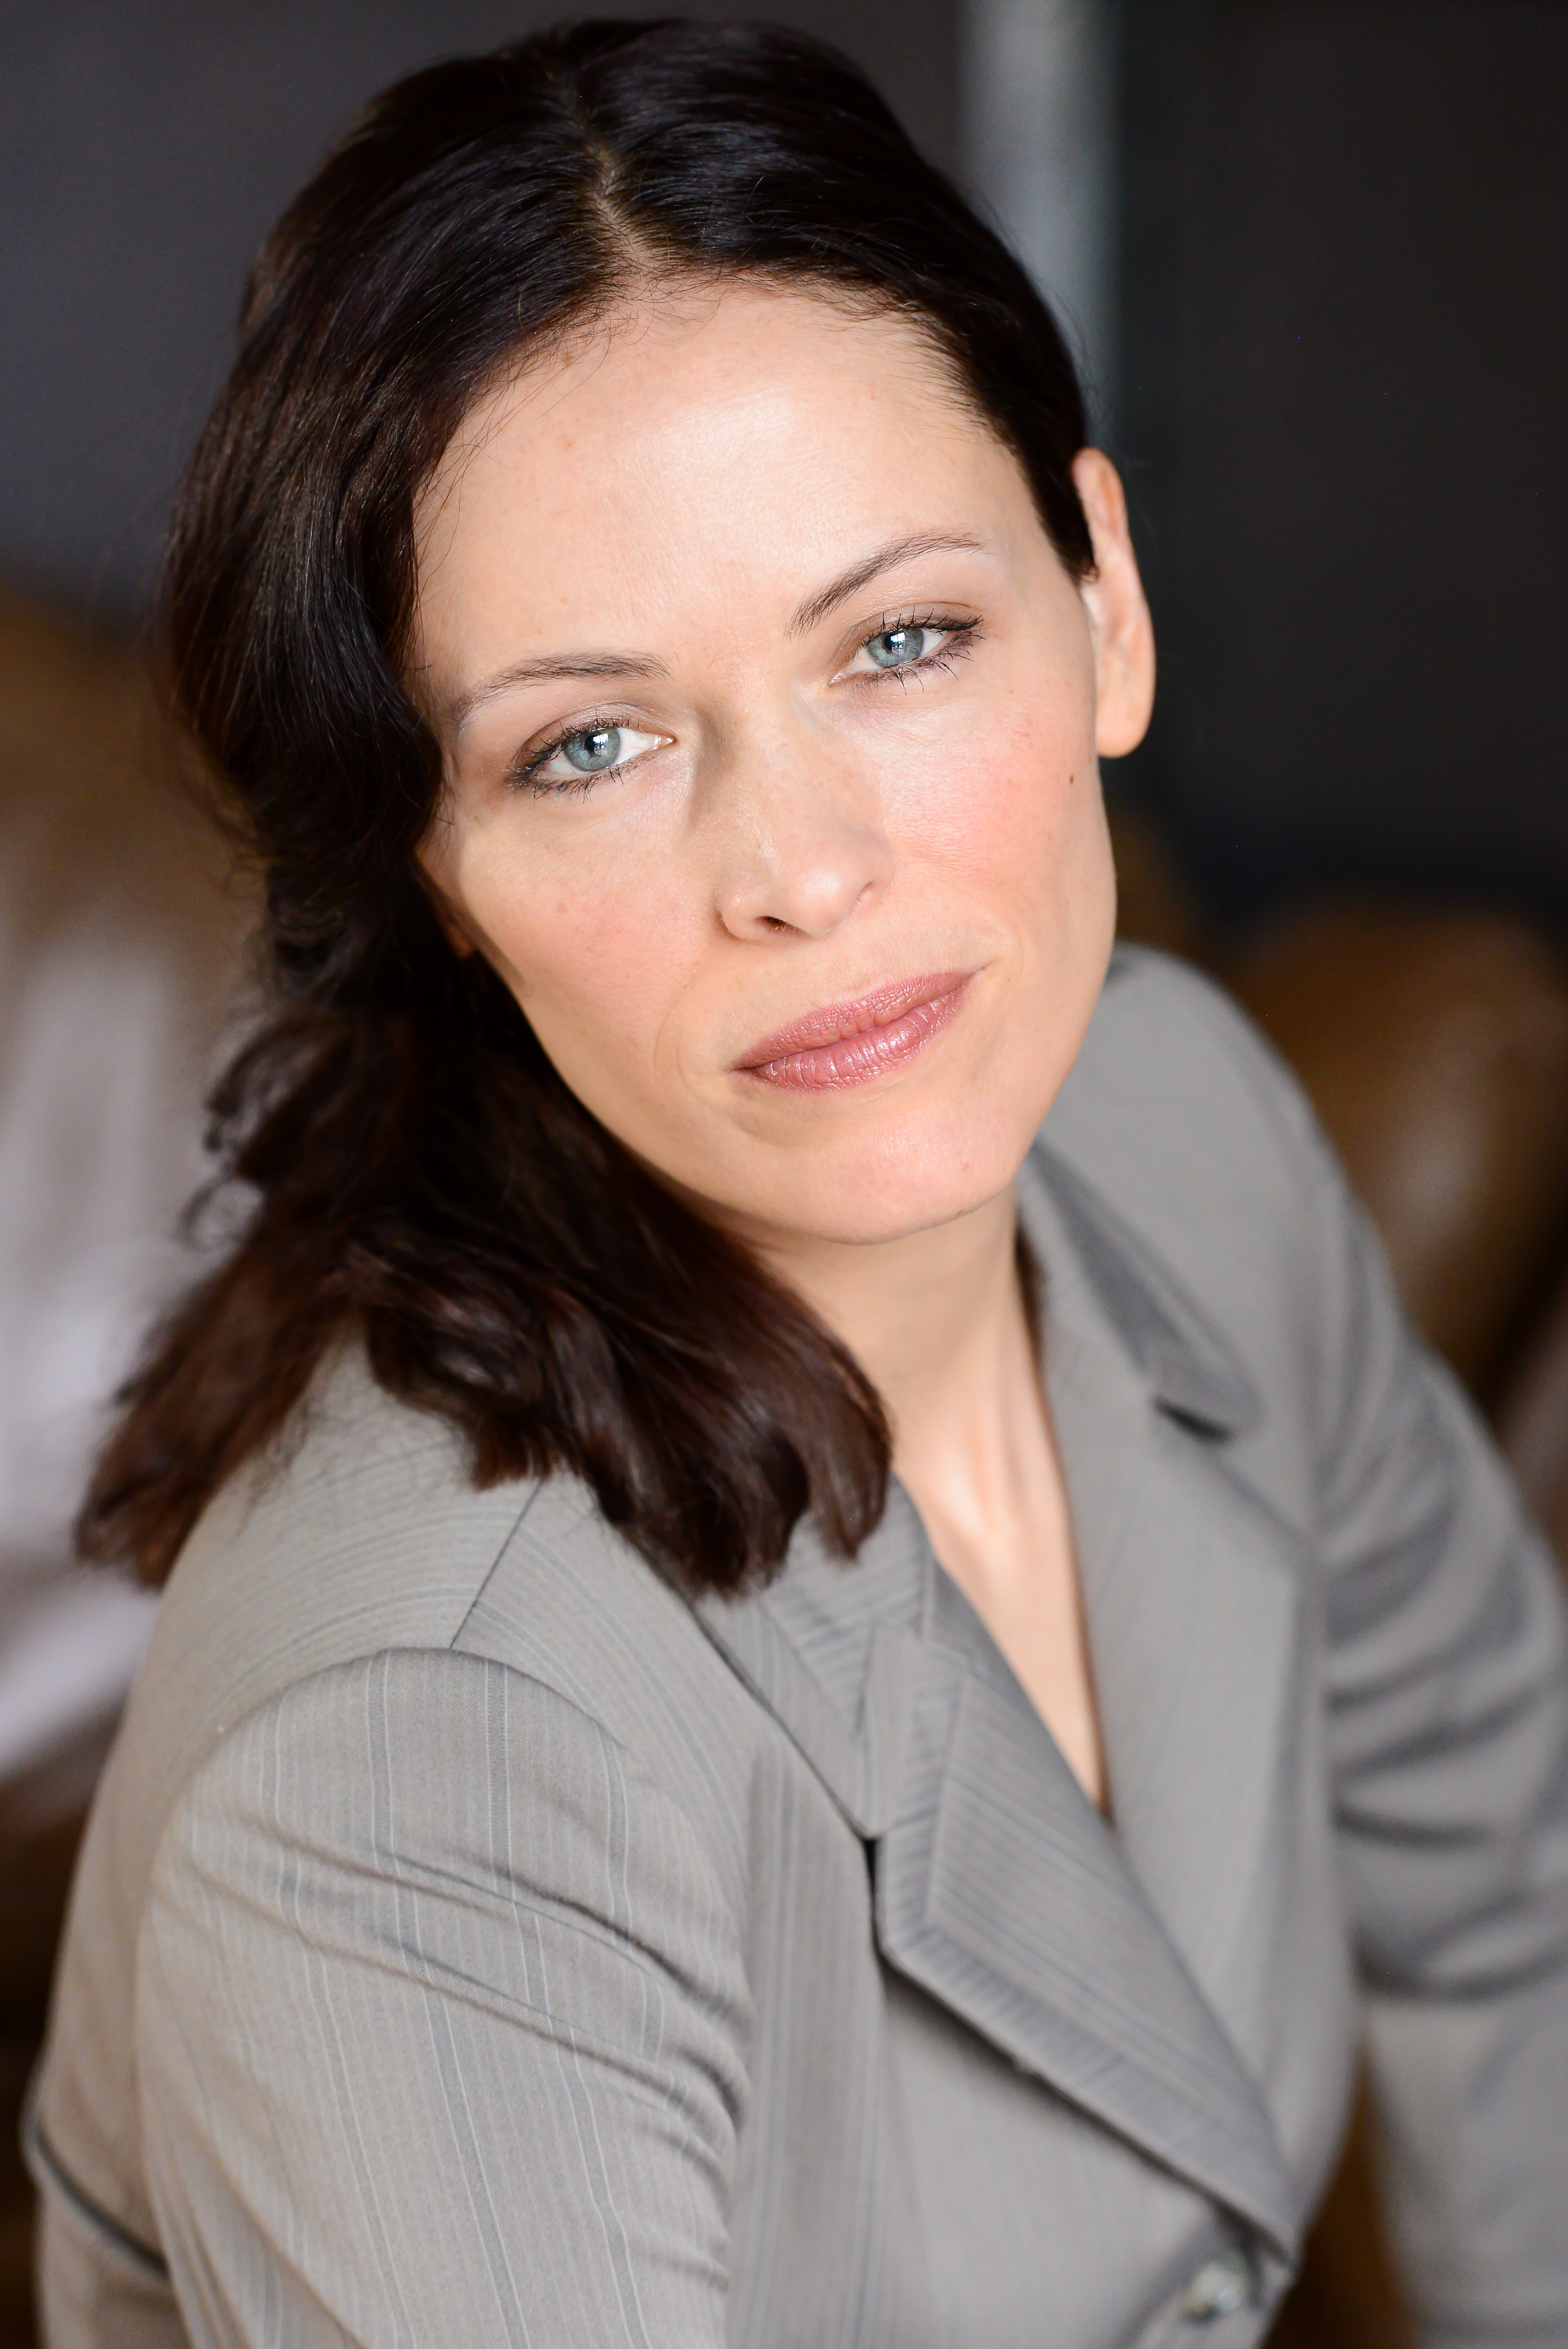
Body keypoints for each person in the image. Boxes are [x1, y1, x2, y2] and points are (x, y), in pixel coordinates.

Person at [27, 21, 1568, 2346]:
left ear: (1106, 604)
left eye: (900, 639)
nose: (805, 868)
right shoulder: (415, 1766)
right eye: (594, 742)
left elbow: (1501, 1887)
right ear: (442, 869)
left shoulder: (1182, 1127)